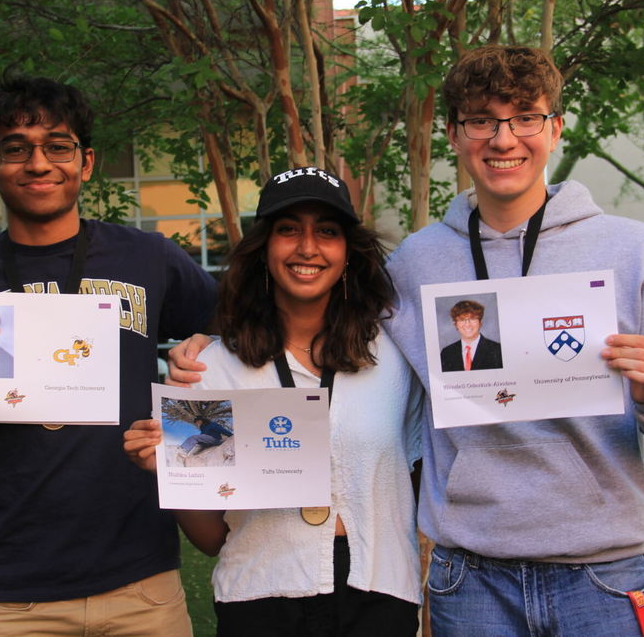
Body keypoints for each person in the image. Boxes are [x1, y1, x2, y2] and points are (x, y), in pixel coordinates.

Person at [170, 45, 644, 636]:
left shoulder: (631, 250)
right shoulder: (418, 261)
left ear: (556, 129)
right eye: (481, 120)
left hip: (602, 576)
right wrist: (213, 346)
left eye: (525, 117)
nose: (503, 139)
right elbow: (324, 311)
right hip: (471, 579)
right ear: (454, 136)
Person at [0, 75, 216, 635]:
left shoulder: (150, 259)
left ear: (87, 161)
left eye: (57, 145)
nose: (38, 163)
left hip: (141, 580)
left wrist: (201, 348)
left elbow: (233, 332)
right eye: (15, 148)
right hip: (10, 589)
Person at [125, 167, 424, 636]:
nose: (307, 247)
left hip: (378, 595)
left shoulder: (394, 357)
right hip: (261, 597)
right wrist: (170, 468)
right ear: (263, 249)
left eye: (327, 231)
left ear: (348, 252)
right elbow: (211, 539)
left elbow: (423, 476)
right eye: (288, 230)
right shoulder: (213, 368)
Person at [439, 299, 503, 371]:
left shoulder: (497, 350)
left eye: (472, 319)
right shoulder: (446, 353)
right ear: (456, 325)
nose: (467, 324)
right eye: (462, 319)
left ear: (480, 323)